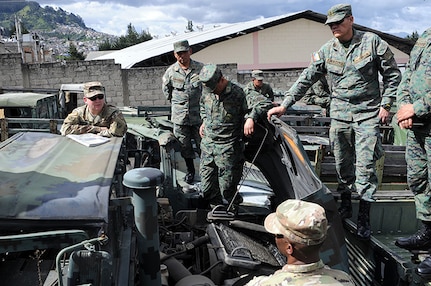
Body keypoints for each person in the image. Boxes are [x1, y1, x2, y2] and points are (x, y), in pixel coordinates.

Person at [267, 3, 401, 240]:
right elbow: (306, 77)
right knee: (342, 164)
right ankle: (346, 204)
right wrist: (285, 104)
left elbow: (392, 75)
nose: (334, 27)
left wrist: (386, 105)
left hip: (367, 115)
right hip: (339, 116)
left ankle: (364, 218)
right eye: (331, 25)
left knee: (367, 165)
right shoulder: (328, 50)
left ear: (351, 19)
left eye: (338, 22)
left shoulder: (372, 42)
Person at [199, 64, 272, 208]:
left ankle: (233, 209)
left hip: (227, 148)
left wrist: (251, 118)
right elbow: (203, 106)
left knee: (227, 188)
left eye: (214, 88)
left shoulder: (239, 92)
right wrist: (204, 121)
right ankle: (216, 209)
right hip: (208, 146)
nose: (213, 91)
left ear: (221, 80)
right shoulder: (208, 91)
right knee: (207, 188)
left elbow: (265, 103)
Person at [246, 199, 355, 286]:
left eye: (277, 235)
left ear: (289, 248)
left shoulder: (263, 284)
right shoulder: (344, 280)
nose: (275, 237)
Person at [394, 28, 431, 278]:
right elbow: (407, 79)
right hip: (420, 127)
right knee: (419, 180)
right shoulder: (425, 37)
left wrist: (415, 108)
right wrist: (403, 108)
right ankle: (428, 233)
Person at [162, 40, 204, 184]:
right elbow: (167, 91)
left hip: (199, 117)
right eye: (179, 54)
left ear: (190, 51)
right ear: (175, 55)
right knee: (184, 146)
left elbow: (207, 90)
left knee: (203, 146)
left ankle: (206, 172)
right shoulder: (171, 72)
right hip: (180, 118)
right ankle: (190, 171)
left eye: (184, 52)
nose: (182, 56)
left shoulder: (200, 68)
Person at [60, 81, 127, 137]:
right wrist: (96, 129)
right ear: (85, 100)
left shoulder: (114, 113)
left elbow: (116, 133)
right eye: (93, 98)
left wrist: (81, 131)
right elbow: (65, 130)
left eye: (100, 97)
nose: (97, 100)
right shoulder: (79, 113)